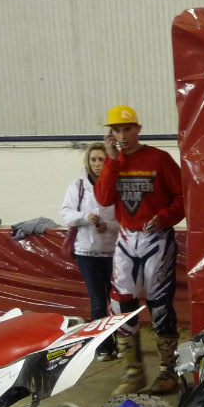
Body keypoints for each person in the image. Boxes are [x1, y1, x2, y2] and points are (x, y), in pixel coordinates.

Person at [94, 105, 185, 395]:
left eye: (127, 129)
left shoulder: (159, 158)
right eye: (116, 130)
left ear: (138, 129)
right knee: (121, 303)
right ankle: (133, 371)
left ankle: (168, 371)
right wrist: (111, 161)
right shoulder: (113, 161)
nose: (122, 135)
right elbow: (103, 199)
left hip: (157, 237)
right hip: (126, 237)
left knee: (160, 304)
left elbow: (184, 195)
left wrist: (165, 217)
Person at [60, 141, 119, 360]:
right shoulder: (77, 186)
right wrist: (85, 217)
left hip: (115, 252)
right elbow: (66, 213)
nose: (96, 164)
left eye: (101, 159)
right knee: (98, 301)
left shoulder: (117, 185)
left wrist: (108, 226)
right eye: (93, 159)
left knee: (119, 301)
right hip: (87, 253)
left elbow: (126, 219)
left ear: (108, 161)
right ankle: (103, 347)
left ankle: (123, 345)